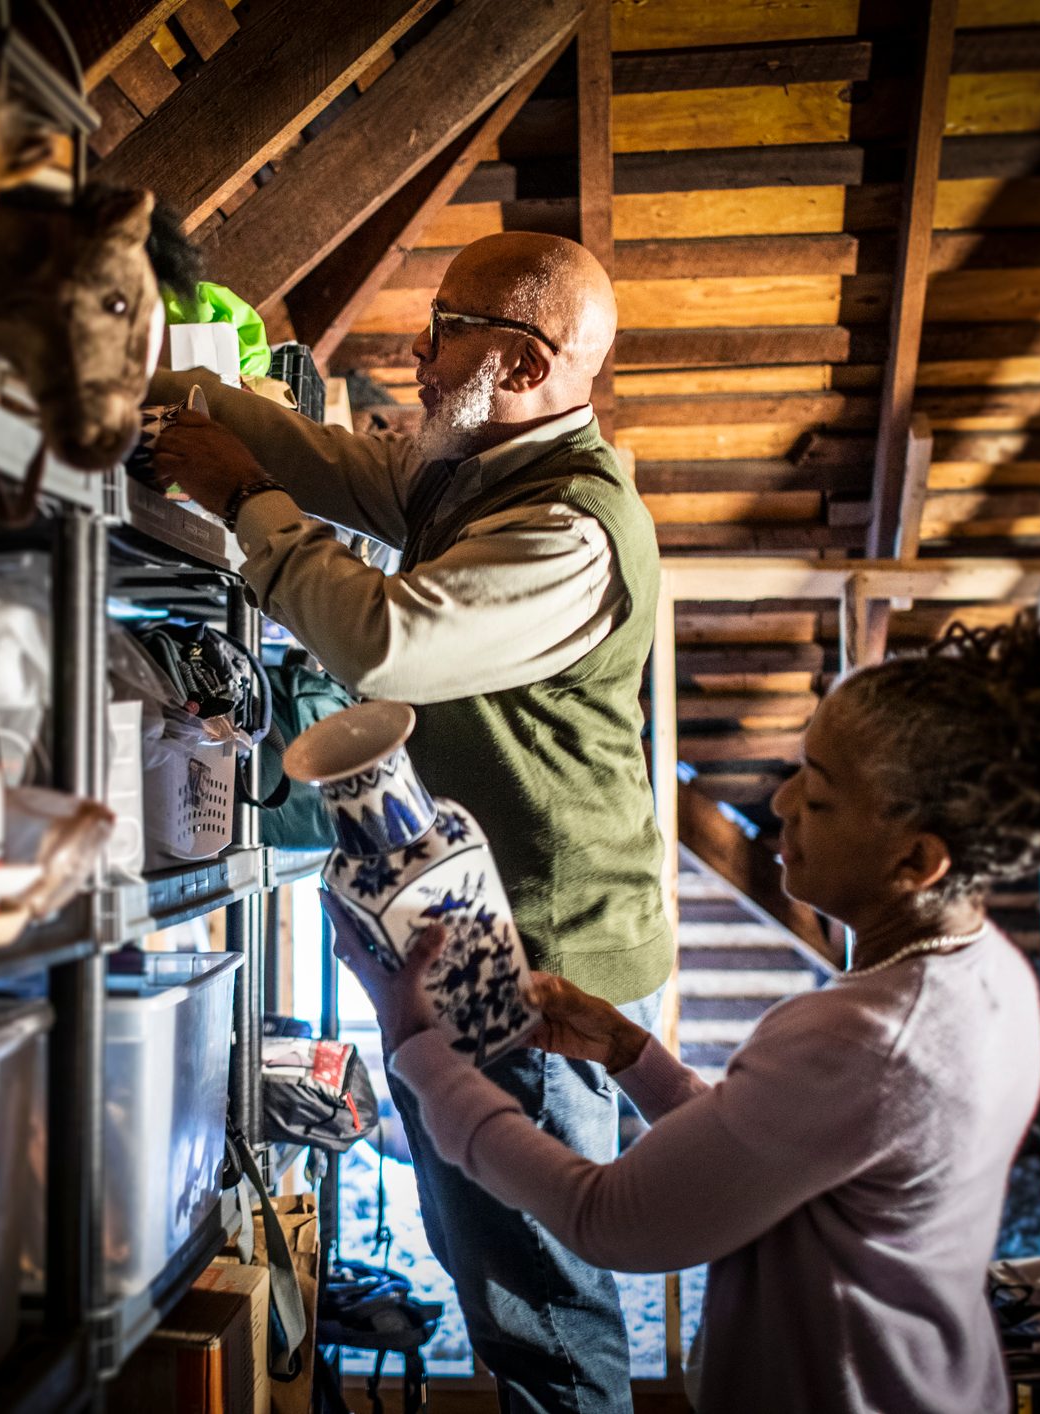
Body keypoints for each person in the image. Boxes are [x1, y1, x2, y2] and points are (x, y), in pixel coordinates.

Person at [335, 616, 1040, 1413]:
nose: (781, 803)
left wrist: (420, 1049)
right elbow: (785, 1161)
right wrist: (632, 1054)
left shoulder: (863, 1036)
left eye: (820, 793)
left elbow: (607, 1218)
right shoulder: (989, 975)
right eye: (798, 770)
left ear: (916, 859)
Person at [150, 233, 671, 1412]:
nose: (417, 355)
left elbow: (388, 640)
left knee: (536, 1292)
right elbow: (327, 460)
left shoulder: (569, 531)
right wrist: (179, 389)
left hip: (539, 953)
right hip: (479, 930)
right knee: (490, 1260)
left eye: (446, 329)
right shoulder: (481, 465)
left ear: (527, 361)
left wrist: (240, 494)